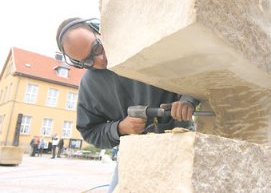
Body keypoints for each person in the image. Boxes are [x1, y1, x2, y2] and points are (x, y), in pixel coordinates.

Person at [56, 17, 199, 192]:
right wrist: (119, 128)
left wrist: (187, 100)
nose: (100, 60)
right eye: (88, 62)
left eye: (97, 48)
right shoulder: (89, 85)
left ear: (99, 30)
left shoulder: (145, 43)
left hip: (180, 144)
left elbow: (192, 70)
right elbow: (90, 131)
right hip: (134, 155)